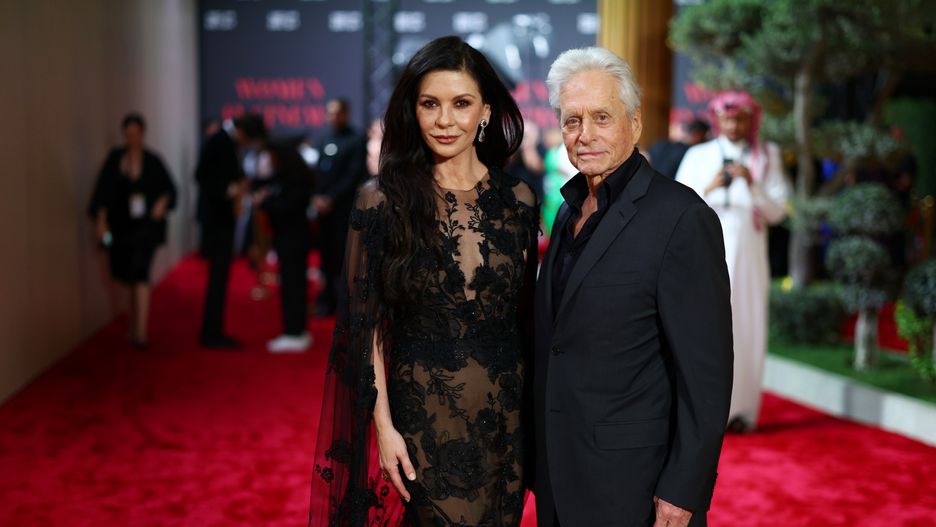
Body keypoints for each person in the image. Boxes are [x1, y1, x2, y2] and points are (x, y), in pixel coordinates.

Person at [310, 36, 537, 527]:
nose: (444, 120)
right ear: (412, 111)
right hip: (423, 419)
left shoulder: (518, 199)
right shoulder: (381, 201)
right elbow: (365, 328)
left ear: (485, 111)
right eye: (430, 104)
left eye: (461, 104)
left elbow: (524, 318)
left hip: (507, 419)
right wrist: (384, 427)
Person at [535, 47, 733, 527]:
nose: (584, 134)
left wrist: (683, 489)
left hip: (635, 486)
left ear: (635, 122)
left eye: (601, 117)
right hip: (561, 476)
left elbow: (706, 375)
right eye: (572, 120)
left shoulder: (682, 218)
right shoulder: (567, 212)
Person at [675, 91, 790, 434]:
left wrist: (752, 184)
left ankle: (742, 411)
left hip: (750, 258)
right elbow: (677, 205)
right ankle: (704, 410)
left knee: (747, 327)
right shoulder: (698, 155)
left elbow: (778, 212)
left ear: (750, 121)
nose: (734, 125)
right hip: (706, 254)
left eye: (740, 119)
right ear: (717, 120)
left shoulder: (765, 156)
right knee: (705, 327)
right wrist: (710, 186)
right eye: (727, 119)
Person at [89, 113, 177, 349]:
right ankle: (133, 323)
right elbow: (103, 192)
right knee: (127, 276)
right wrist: (101, 221)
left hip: (146, 228)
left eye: (135, 134)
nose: (132, 138)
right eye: (128, 134)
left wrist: (162, 202)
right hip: (122, 228)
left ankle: (141, 330)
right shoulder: (116, 159)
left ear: (142, 134)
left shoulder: (153, 161)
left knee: (140, 273)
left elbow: (170, 190)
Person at [195, 113, 267, 349]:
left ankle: (215, 329)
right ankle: (211, 333)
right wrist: (231, 190)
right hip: (216, 219)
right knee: (217, 277)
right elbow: (201, 176)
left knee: (221, 276)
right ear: (243, 132)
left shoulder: (228, 143)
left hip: (224, 218)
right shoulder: (217, 141)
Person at [253, 140, 315, 353]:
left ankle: (294, 331)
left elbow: (286, 207)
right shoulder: (287, 178)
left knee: (293, 285)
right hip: (288, 239)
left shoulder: (296, 181)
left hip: (294, 239)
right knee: (291, 284)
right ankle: (295, 329)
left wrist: (265, 203)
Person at [311, 98, 367, 316]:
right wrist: (317, 197)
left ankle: (346, 300)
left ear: (345, 114)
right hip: (323, 209)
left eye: (336, 113)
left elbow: (353, 174)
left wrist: (331, 198)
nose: (332, 117)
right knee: (325, 255)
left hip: (343, 209)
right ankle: (327, 298)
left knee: (343, 254)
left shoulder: (356, 139)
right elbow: (318, 172)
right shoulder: (324, 139)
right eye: (329, 113)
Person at [645, 118, 710, 179]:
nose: (706, 141)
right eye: (705, 138)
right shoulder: (691, 153)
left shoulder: (659, 144)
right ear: (698, 135)